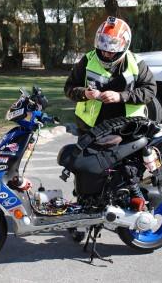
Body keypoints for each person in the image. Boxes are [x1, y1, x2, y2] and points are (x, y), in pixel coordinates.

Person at [64, 16, 157, 211]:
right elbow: (69, 88)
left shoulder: (136, 63)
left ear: (125, 43)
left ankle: (125, 205)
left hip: (127, 128)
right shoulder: (87, 60)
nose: (106, 51)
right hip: (91, 129)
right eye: (103, 44)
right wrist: (84, 93)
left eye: (112, 46)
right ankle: (83, 208)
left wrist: (121, 96)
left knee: (124, 171)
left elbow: (150, 90)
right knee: (85, 171)